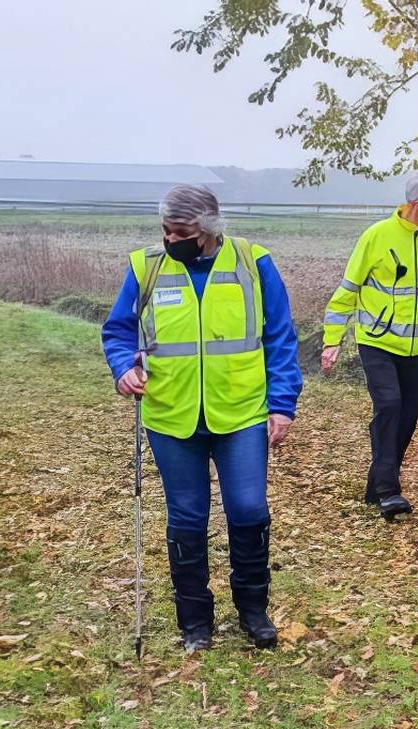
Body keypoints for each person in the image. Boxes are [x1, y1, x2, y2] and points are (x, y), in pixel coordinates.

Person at [101, 184, 302, 652]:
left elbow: (280, 336)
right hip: (172, 417)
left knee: (249, 509)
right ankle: (195, 621)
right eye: (166, 231)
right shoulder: (146, 268)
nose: (172, 240)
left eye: (183, 232)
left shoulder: (253, 263)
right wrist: (123, 369)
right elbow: (118, 330)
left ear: (209, 230)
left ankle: (253, 610)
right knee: (187, 516)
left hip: (242, 412)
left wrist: (282, 403)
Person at [319, 170, 418, 520]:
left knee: (407, 419)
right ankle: (389, 491)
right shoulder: (376, 237)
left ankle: (376, 484)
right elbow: (346, 293)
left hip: (417, 350)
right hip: (377, 342)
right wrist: (332, 341)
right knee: (389, 405)